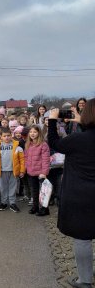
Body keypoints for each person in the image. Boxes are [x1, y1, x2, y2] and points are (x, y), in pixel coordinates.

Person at [48, 103, 95, 288]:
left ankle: (85, 280)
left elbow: (54, 142)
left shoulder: (77, 139)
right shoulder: (81, 137)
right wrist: (82, 122)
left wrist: (52, 120)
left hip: (81, 195)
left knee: (82, 238)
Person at [0, 127, 25, 213]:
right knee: (3, 188)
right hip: (1, 171)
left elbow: (22, 160)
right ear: (1, 136)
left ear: (11, 135)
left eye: (8, 136)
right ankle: (4, 202)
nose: (7, 138)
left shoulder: (17, 146)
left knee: (13, 187)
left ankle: (12, 203)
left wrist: (22, 170)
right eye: (4, 136)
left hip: (13, 171)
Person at [24, 125, 50, 216]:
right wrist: (26, 168)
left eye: (34, 132)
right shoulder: (28, 144)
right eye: (31, 132)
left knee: (43, 191)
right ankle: (35, 207)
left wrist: (44, 172)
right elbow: (26, 158)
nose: (32, 134)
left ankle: (44, 209)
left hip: (40, 173)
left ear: (39, 133)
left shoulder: (43, 144)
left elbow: (46, 160)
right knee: (34, 190)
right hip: (31, 172)